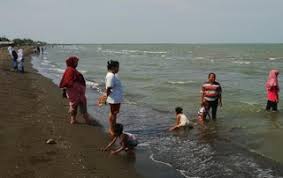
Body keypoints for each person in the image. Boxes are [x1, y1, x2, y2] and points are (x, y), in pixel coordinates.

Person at [59, 56, 91, 124]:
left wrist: (65, 90)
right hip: (76, 93)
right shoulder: (71, 70)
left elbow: (65, 82)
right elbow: (68, 82)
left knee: (74, 105)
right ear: (72, 62)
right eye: (76, 62)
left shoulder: (69, 69)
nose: (77, 63)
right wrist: (78, 88)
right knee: (82, 106)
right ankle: (87, 120)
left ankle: (73, 120)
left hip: (72, 93)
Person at [105, 60, 123, 135]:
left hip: (115, 98)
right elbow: (109, 88)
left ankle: (113, 127)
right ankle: (112, 129)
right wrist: (106, 97)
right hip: (114, 99)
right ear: (113, 67)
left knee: (114, 113)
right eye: (117, 67)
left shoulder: (113, 75)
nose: (118, 69)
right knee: (113, 114)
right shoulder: (111, 76)